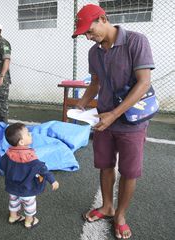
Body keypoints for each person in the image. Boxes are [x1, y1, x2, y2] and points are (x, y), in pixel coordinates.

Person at [72, 4, 155, 239]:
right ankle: (107, 206)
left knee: (129, 171)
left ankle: (120, 214)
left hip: (131, 120)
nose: (89, 38)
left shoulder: (136, 41)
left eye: (90, 31)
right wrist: (82, 103)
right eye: (84, 35)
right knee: (105, 164)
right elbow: (96, 82)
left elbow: (144, 83)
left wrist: (114, 114)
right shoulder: (94, 52)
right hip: (103, 119)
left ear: (103, 18)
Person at [0, 123, 59, 229]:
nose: (30, 134)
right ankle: (29, 220)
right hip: (27, 188)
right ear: (21, 142)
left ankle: (13, 217)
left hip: (11, 186)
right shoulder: (30, 157)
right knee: (29, 204)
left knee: (13, 201)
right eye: (27, 133)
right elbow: (42, 169)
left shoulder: (7, 154)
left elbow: (2, 166)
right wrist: (52, 180)